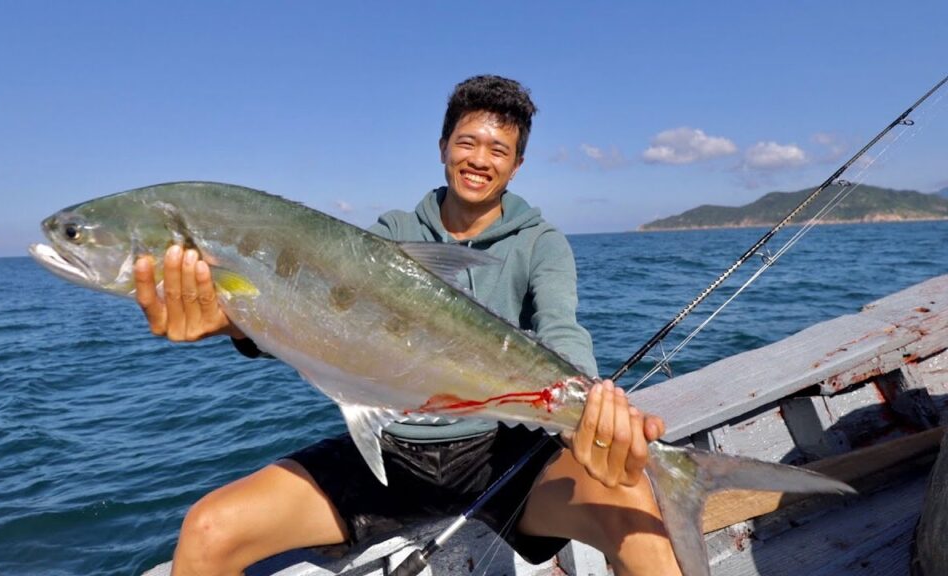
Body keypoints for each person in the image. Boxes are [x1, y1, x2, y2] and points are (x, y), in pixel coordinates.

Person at [134, 75, 680, 576]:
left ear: (516, 166)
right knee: (208, 530)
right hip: (389, 452)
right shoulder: (390, 236)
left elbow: (562, 329)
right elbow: (327, 320)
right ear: (443, 147)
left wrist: (592, 411)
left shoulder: (541, 243)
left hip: (499, 454)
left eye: (498, 150)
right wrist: (238, 327)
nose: (479, 159)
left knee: (634, 512)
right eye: (467, 142)